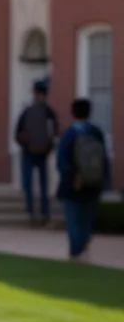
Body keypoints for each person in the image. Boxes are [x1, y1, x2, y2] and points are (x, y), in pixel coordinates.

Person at [56, 98, 112, 262]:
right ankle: (84, 245)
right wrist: (104, 181)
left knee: (73, 221)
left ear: (73, 112)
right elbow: (104, 159)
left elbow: (62, 162)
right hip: (93, 183)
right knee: (87, 220)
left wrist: (71, 178)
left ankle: (76, 253)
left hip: (74, 184)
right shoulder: (97, 132)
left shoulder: (69, 134)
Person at [14, 80, 59, 225]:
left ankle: (31, 212)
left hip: (29, 151)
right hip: (42, 152)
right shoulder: (49, 112)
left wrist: (25, 144)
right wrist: (49, 147)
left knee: (29, 183)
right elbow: (55, 133)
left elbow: (17, 133)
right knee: (42, 183)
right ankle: (43, 212)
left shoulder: (27, 111)